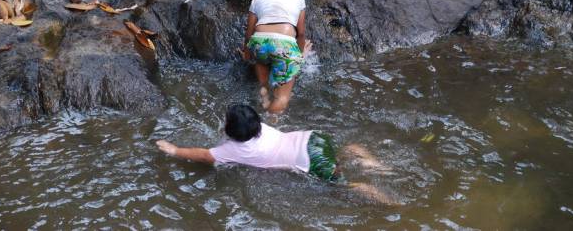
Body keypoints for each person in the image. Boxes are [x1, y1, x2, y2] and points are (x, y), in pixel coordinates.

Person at [156, 104, 396, 204]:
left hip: (310, 160)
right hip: (314, 138)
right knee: (345, 152)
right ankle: (376, 165)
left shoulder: (234, 149)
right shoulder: (262, 129)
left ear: (231, 131)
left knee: (344, 186)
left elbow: (203, 155)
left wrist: (175, 150)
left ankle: (391, 202)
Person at [241, 0, 309, 114]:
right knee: (282, 98)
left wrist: (246, 54)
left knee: (264, 86)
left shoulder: (257, 0)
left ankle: (263, 101)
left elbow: (249, 33)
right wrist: (300, 55)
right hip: (284, 45)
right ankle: (270, 124)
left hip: (259, 44)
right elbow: (301, 32)